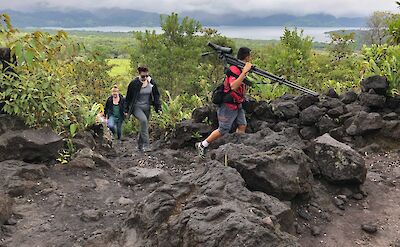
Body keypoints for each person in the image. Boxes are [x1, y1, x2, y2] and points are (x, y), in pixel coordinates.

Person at [196, 47, 253, 158]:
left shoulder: (240, 68)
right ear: (247, 57)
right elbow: (233, 86)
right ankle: (202, 145)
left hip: (237, 104)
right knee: (223, 129)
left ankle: (237, 148)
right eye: (249, 56)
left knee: (242, 125)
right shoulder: (235, 70)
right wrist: (245, 72)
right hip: (228, 105)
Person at [125, 66, 161, 152]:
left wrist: (158, 107)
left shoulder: (151, 82)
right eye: (143, 76)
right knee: (144, 121)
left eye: (146, 76)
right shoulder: (133, 84)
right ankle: (146, 145)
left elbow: (156, 96)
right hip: (136, 107)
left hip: (147, 107)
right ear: (139, 75)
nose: (145, 78)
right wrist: (126, 110)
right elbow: (128, 98)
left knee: (144, 125)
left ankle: (140, 145)